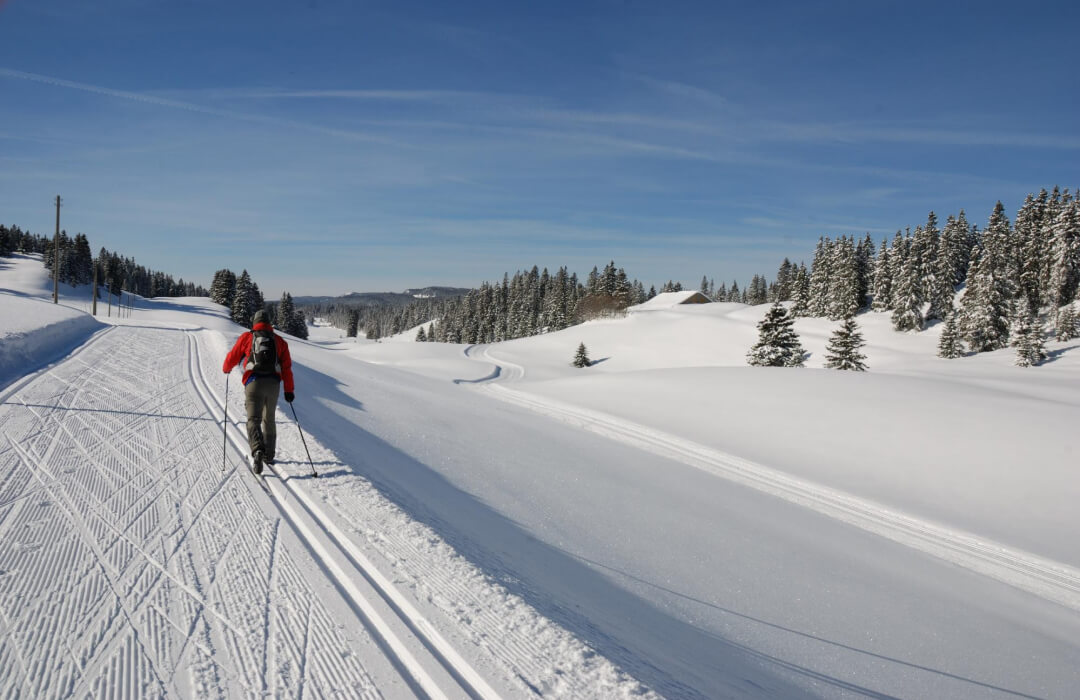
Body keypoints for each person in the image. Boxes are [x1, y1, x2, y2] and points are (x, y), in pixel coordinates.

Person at [223, 309, 295, 474]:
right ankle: (269, 455)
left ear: (254, 322)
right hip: (273, 385)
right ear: (269, 323)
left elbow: (232, 358)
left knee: (253, 419)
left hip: (253, 383)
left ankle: (257, 450)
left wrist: (226, 369)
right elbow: (287, 368)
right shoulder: (280, 342)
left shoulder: (247, 337)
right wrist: (289, 390)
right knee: (268, 419)